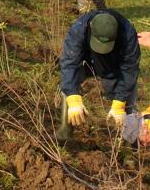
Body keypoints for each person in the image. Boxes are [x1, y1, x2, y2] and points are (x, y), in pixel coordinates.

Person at [56, 9, 140, 141]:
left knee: (129, 104)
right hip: (88, 61)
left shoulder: (127, 34)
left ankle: (129, 146)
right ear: (90, 28)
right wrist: (73, 97)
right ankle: (65, 132)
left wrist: (119, 102)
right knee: (68, 87)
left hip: (114, 66)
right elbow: (69, 64)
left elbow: (130, 70)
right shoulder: (79, 29)